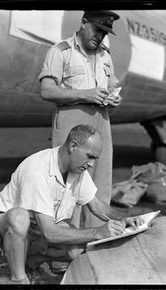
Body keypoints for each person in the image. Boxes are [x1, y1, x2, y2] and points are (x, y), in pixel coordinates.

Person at [0, 125, 143, 284]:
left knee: (76, 250)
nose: (92, 164)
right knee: (18, 218)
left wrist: (122, 219)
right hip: (4, 229)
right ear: (73, 146)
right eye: (90, 156)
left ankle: (31, 262)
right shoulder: (37, 170)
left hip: (39, 228)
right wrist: (98, 233)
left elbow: (95, 205)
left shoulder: (78, 169)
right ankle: (18, 280)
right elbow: (50, 233)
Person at [39, 10, 121, 228]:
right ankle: (66, 244)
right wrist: (85, 94)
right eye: (97, 30)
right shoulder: (61, 51)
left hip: (101, 120)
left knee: (101, 182)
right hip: (71, 120)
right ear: (84, 23)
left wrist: (114, 98)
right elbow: (46, 90)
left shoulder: (105, 55)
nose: (100, 37)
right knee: (70, 183)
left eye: (105, 33)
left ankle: (99, 239)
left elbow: (111, 85)